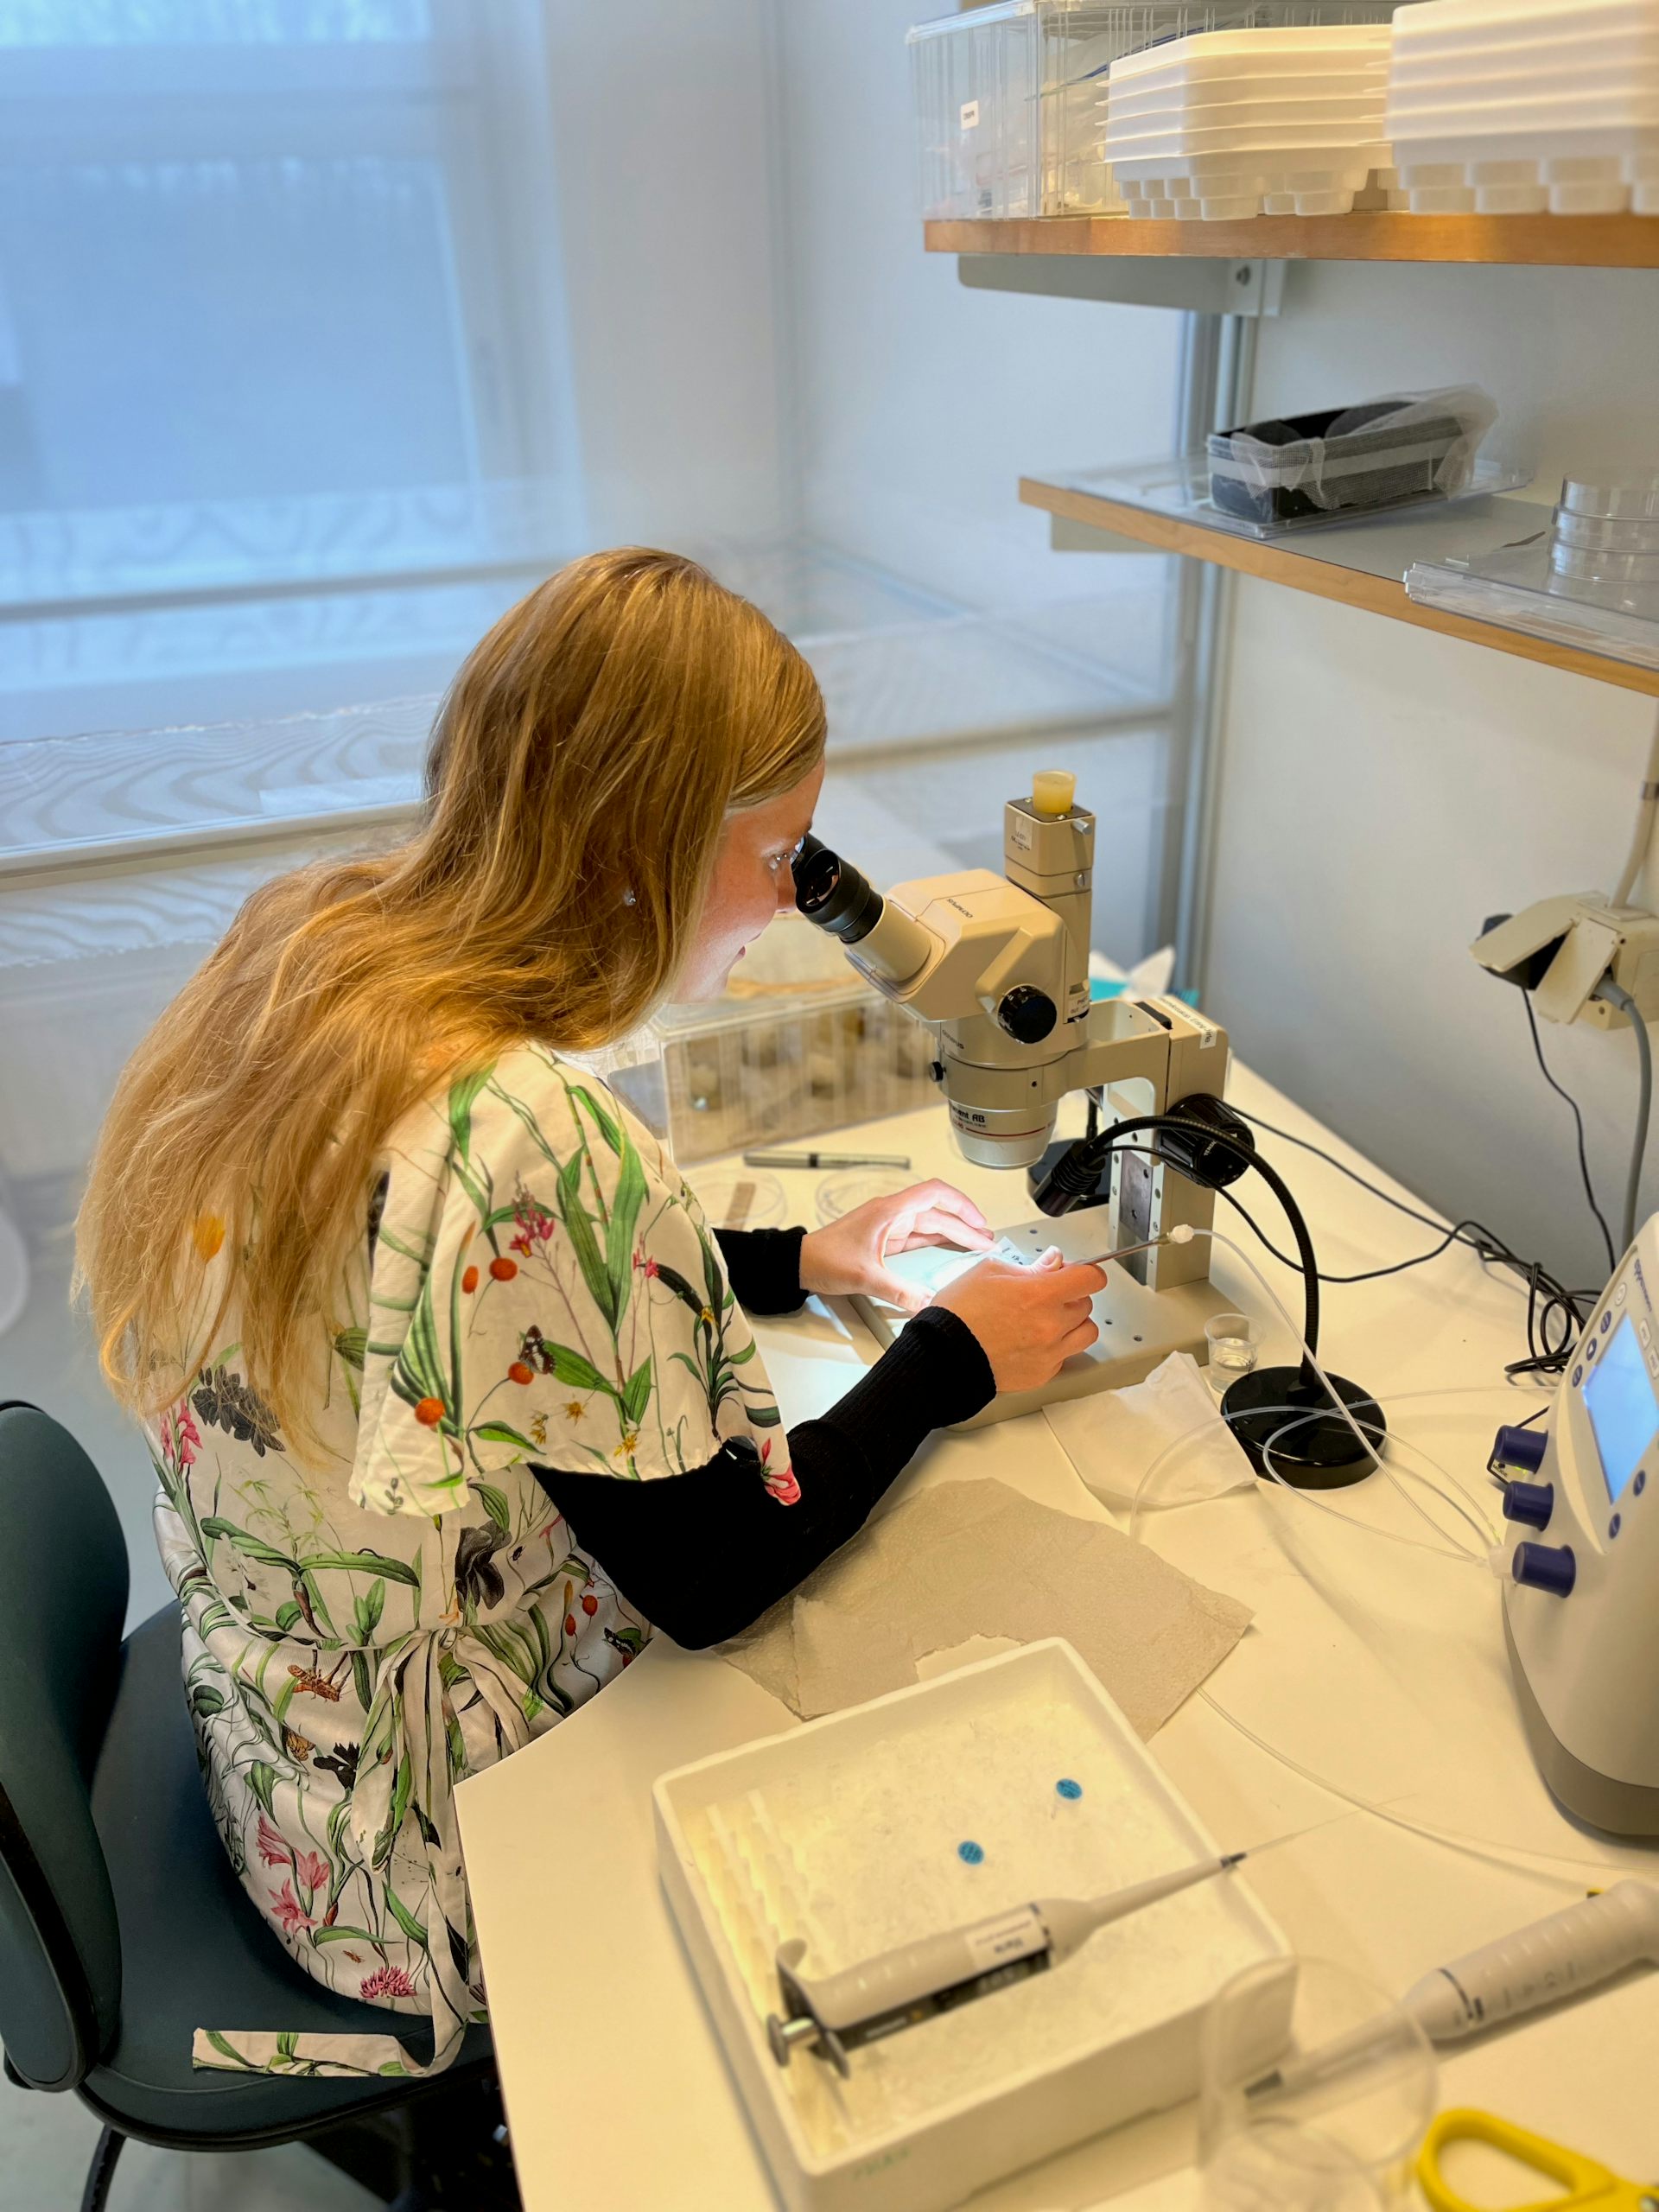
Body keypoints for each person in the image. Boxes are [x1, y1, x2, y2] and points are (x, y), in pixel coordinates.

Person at [75, 548, 1105, 2081]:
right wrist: (957, 1356)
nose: (799, 905)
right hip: (422, 1872)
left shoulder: (315, 947)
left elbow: (457, 1307)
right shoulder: (526, 1126)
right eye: (785, 857)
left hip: (275, 1749)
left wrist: (800, 1258)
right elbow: (713, 1573)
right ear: (642, 843)